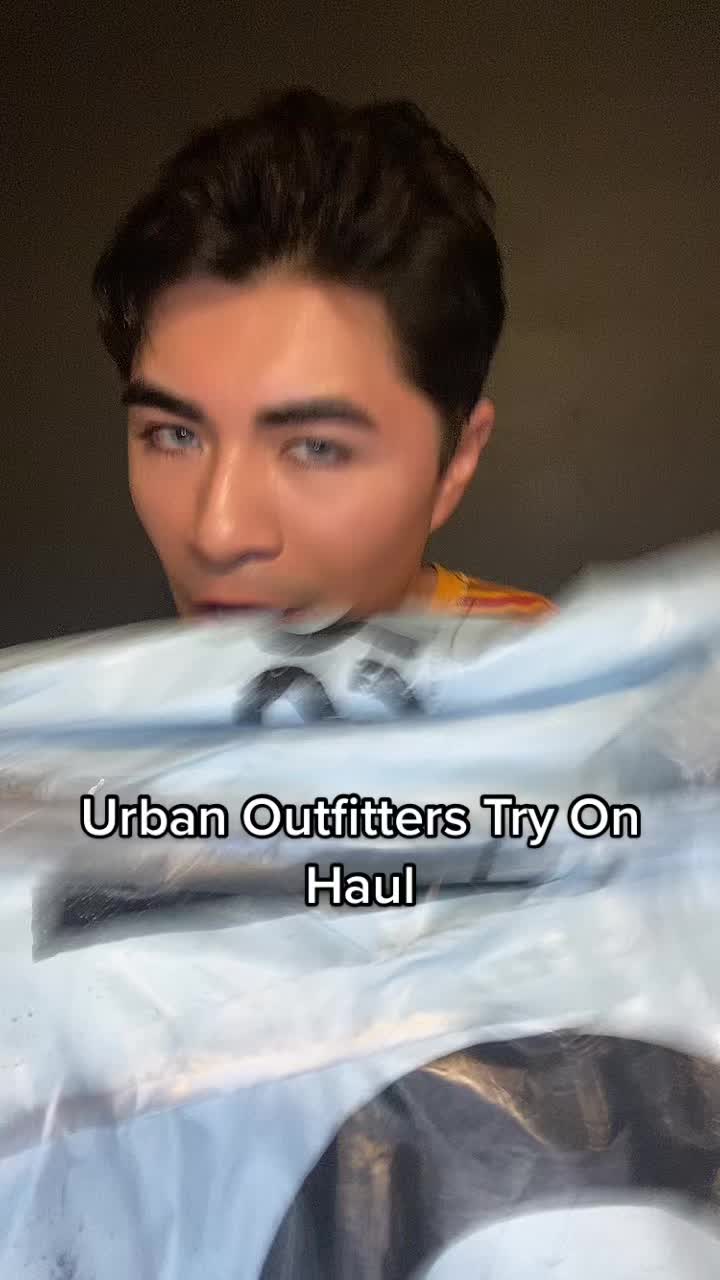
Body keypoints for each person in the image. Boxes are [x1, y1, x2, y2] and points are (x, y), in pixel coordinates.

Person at [93, 88, 552, 623]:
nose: (217, 535)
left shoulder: (553, 665)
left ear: (454, 465)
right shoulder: (117, 675)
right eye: (175, 435)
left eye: (317, 447)